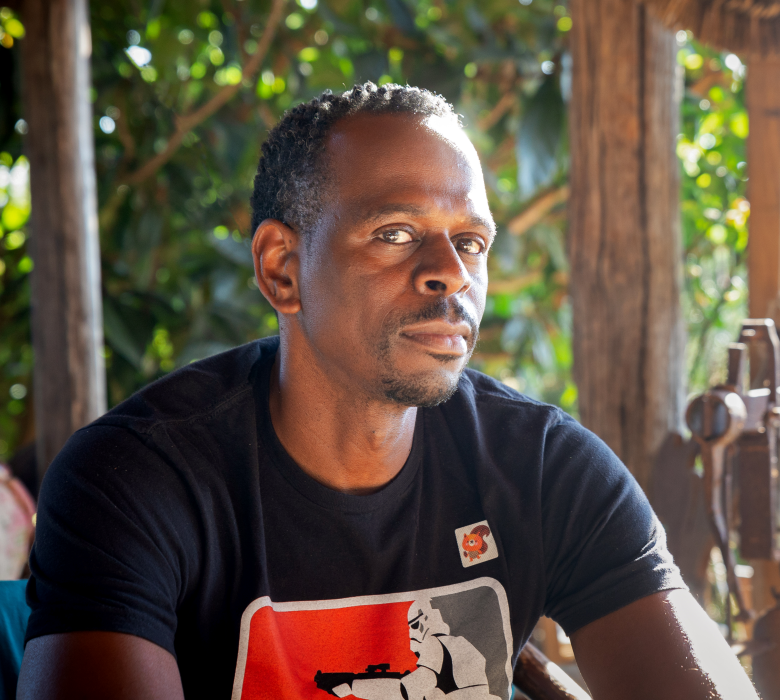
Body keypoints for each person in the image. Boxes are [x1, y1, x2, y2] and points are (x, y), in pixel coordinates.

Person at [17, 83, 757, 700]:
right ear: (282, 269)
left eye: (471, 242)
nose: (451, 273)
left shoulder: (542, 468)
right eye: (396, 233)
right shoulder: (137, 481)